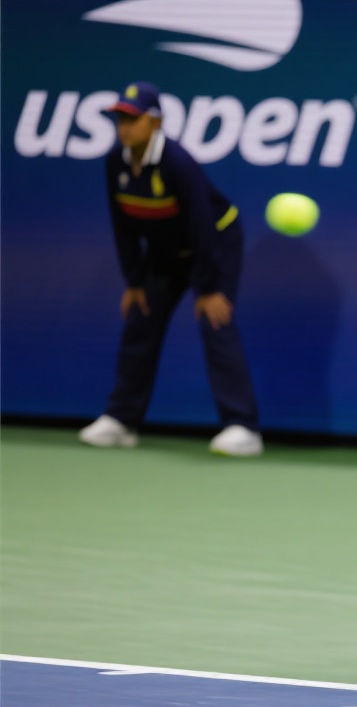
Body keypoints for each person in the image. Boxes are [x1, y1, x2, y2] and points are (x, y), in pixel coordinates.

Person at [79, 82, 263, 457]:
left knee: (215, 321)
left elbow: (201, 226)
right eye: (120, 120)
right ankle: (121, 420)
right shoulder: (115, 162)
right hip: (164, 251)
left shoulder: (178, 162)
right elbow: (122, 224)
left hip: (214, 244)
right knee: (140, 319)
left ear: (155, 122)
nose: (124, 128)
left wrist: (208, 289)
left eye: (132, 120)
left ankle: (242, 427)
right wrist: (134, 280)